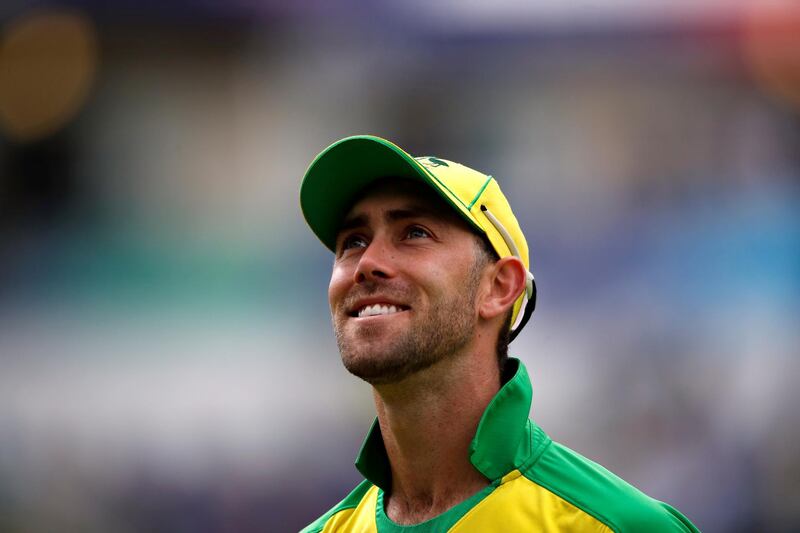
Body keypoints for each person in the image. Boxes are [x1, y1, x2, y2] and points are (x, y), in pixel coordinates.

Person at [298, 135, 700, 532]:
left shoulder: (619, 526)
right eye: (353, 241)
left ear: (499, 288)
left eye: (415, 232)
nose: (368, 262)